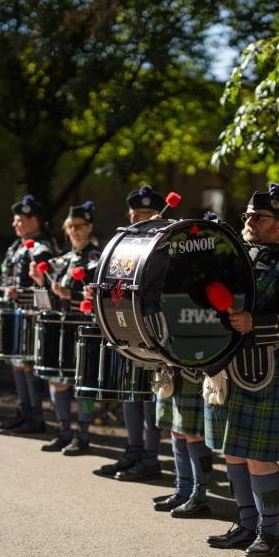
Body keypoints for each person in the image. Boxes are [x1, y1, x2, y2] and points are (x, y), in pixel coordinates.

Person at [204, 183, 279, 557]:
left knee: (258, 456)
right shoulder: (230, 259)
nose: (250, 221)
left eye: (260, 217)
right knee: (232, 453)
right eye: (248, 215)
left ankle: (269, 531)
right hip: (223, 369)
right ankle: (245, 523)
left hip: (264, 372)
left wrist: (252, 324)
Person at [95, 185, 164, 479]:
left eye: (145, 213)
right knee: (130, 392)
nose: (137, 217)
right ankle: (132, 452)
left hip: (152, 328)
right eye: (135, 212)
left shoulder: (164, 242)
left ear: (158, 214)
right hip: (126, 325)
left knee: (150, 396)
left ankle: (150, 458)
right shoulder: (125, 242)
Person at [30, 201, 99, 455]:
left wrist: (72, 293)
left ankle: (83, 435)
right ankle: (63, 432)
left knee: (82, 384)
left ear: (90, 227)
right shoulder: (62, 261)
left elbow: (99, 299)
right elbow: (47, 300)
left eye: (79, 226)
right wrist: (41, 284)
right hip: (62, 328)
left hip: (84, 330)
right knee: (58, 380)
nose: (75, 231)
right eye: (71, 227)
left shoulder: (97, 260)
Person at [0, 195, 55, 433]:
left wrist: (20, 295)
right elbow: (5, 278)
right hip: (14, 313)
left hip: (32, 315)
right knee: (17, 365)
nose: (15, 225)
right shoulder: (16, 246)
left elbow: (47, 288)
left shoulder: (42, 248)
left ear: (34, 220)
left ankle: (36, 415)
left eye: (19, 220)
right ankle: (23, 411)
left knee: (29, 366)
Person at [152, 366, 213, 517]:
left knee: (194, 434)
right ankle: (183, 492)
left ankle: (199, 497)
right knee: (177, 430)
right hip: (171, 366)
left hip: (195, 366)